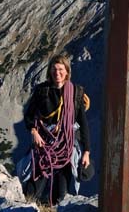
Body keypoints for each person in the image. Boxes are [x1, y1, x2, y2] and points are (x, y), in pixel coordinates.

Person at [23, 54, 91, 204]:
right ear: (49, 71)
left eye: (61, 69)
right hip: (44, 143)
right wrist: (34, 132)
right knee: (34, 184)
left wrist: (86, 151)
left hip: (65, 145)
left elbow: (83, 123)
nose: (57, 72)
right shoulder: (42, 90)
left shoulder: (75, 93)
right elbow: (29, 115)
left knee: (61, 191)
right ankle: (25, 211)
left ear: (67, 72)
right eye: (54, 69)